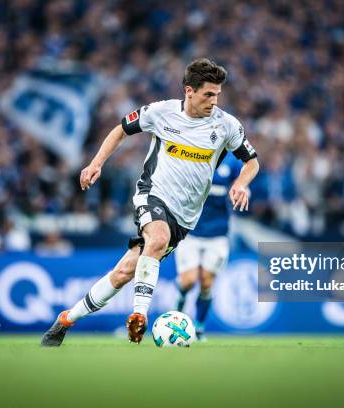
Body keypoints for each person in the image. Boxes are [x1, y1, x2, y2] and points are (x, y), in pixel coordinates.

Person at [41, 58, 259, 346]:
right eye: (208, 93)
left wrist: (241, 183)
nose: (214, 100)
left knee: (122, 273)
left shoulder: (227, 125)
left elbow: (252, 161)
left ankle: (65, 320)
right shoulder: (161, 112)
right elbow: (120, 129)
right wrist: (96, 164)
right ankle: (139, 316)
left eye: (217, 94)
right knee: (157, 237)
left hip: (185, 217)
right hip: (152, 193)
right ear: (189, 91)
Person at [174, 153, 243, 341]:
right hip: (190, 231)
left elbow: (242, 181)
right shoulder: (195, 151)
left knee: (206, 282)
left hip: (218, 233)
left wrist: (242, 189)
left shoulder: (232, 160)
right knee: (188, 281)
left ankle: (199, 328)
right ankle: (180, 298)